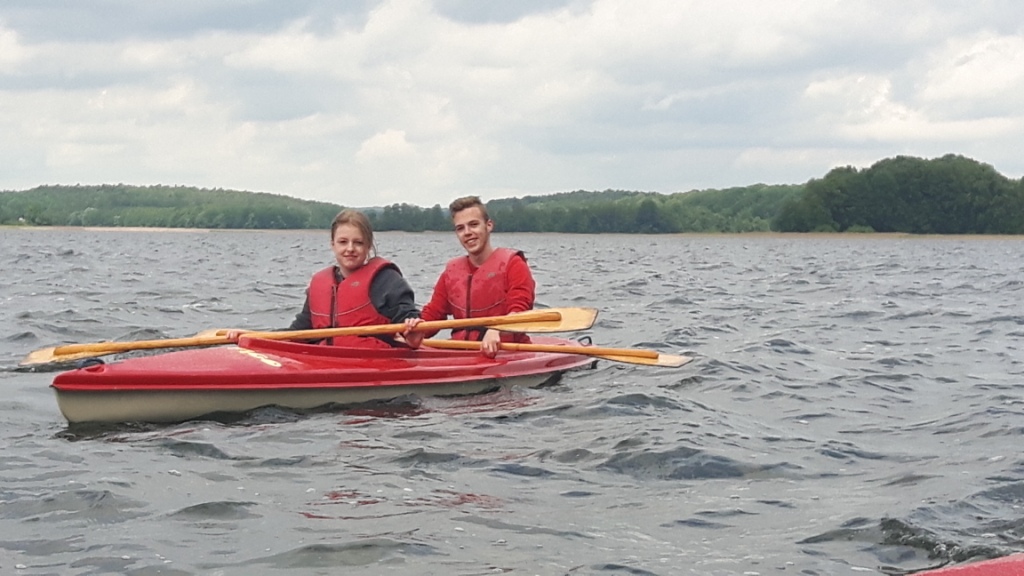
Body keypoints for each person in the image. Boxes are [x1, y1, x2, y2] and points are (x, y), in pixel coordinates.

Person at [231, 209, 420, 348]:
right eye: (343, 242)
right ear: (333, 245)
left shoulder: (386, 280)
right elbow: (299, 332)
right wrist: (254, 336)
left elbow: (409, 320)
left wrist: (413, 329)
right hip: (326, 358)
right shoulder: (320, 283)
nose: (350, 249)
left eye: (358, 243)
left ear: (368, 246)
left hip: (374, 362)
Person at [404, 196, 535, 357]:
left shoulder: (513, 264)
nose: (467, 233)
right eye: (460, 228)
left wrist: (498, 329)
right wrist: (418, 329)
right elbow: (434, 312)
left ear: (488, 225)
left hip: (506, 352)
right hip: (463, 352)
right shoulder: (451, 272)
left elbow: (520, 310)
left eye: (473, 225)